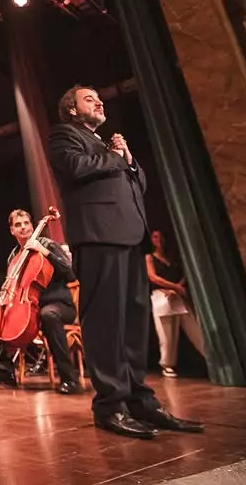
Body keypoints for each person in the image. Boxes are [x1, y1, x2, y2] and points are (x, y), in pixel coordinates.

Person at [47, 86, 202, 439]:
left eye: (100, 98)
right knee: (105, 323)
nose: (99, 102)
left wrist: (128, 159)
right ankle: (110, 406)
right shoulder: (64, 136)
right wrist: (117, 157)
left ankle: (139, 400)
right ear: (71, 110)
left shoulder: (108, 147)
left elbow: (139, 185)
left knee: (133, 324)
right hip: (99, 237)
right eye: (89, 99)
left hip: (130, 237)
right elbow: (75, 167)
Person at [0, 209, 81, 393]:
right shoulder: (14, 255)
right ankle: (4, 371)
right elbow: (11, 287)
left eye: (26, 223)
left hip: (58, 304)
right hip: (27, 304)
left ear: (32, 225)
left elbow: (69, 272)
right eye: (18, 225)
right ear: (12, 231)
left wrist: (43, 252)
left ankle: (69, 379)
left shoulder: (47, 244)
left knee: (48, 315)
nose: (23, 227)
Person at [147, 230, 206, 377]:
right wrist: (174, 287)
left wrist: (178, 286)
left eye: (161, 236)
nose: (158, 239)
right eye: (155, 237)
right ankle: (167, 364)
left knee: (194, 327)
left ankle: (210, 357)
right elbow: (153, 277)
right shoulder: (149, 257)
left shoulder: (170, 257)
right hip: (161, 296)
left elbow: (185, 273)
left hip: (177, 295)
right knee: (167, 333)